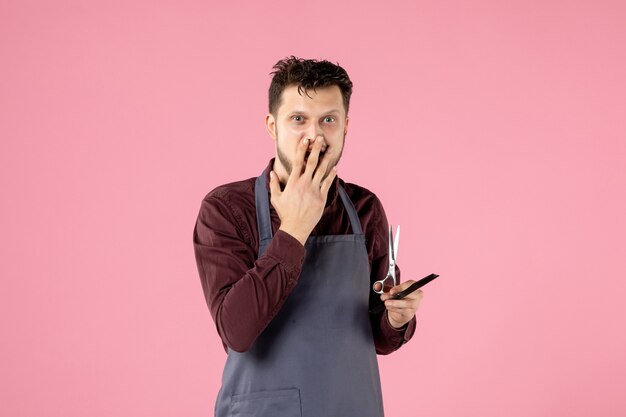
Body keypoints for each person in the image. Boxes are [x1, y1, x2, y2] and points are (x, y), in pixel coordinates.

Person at [193, 56, 424, 417]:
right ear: (272, 126)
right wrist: (294, 229)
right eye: (298, 119)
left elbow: (378, 336)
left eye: (328, 120)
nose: (314, 135)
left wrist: (397, 317)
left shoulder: (364, 208)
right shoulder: (227, 209)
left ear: (346, 126)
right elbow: (236, 331)